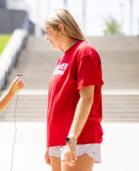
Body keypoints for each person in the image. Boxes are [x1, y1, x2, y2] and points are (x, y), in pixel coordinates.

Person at [43, 8, 104, 171]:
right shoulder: (63, 57)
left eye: (48, 32)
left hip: (78, 139)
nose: (46, 37)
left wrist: (72, 139)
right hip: (58, 140)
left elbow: (87, 98)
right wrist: (50, 143)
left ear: (61, 27)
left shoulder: (84, 52)